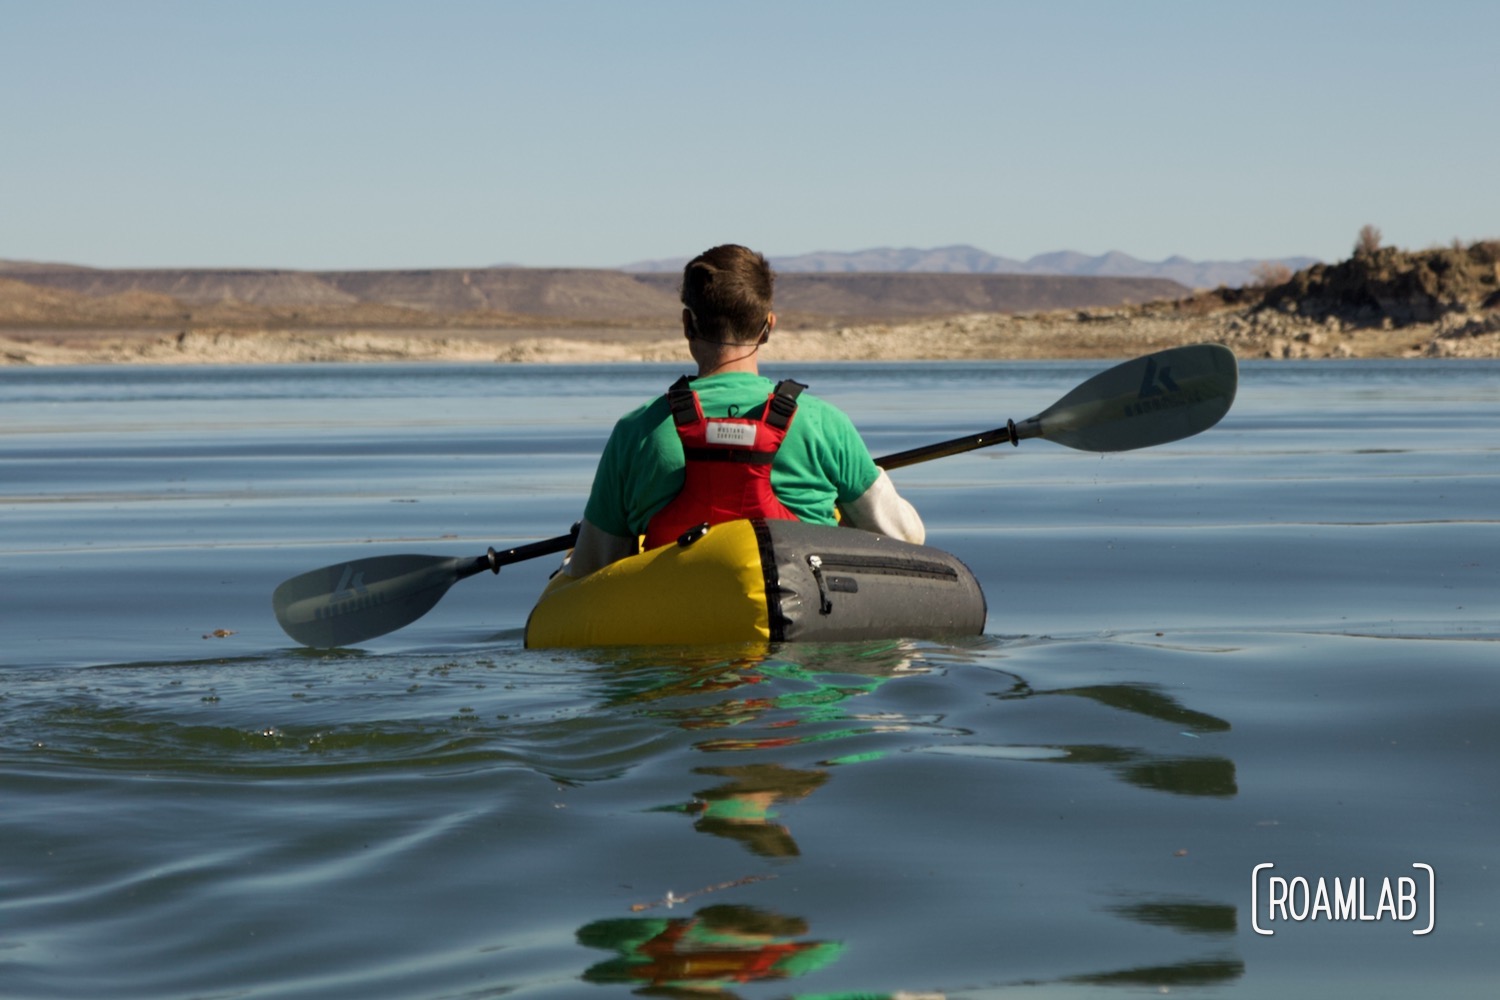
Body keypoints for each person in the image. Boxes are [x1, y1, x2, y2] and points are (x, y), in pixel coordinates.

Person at [564, 243, 923, 577]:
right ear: (768, 327)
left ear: (688, 325)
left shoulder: (637, 431)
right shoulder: (824, 424)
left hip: (677, 618)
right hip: (805, 619)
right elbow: (906, 537)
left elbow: (591, 568)